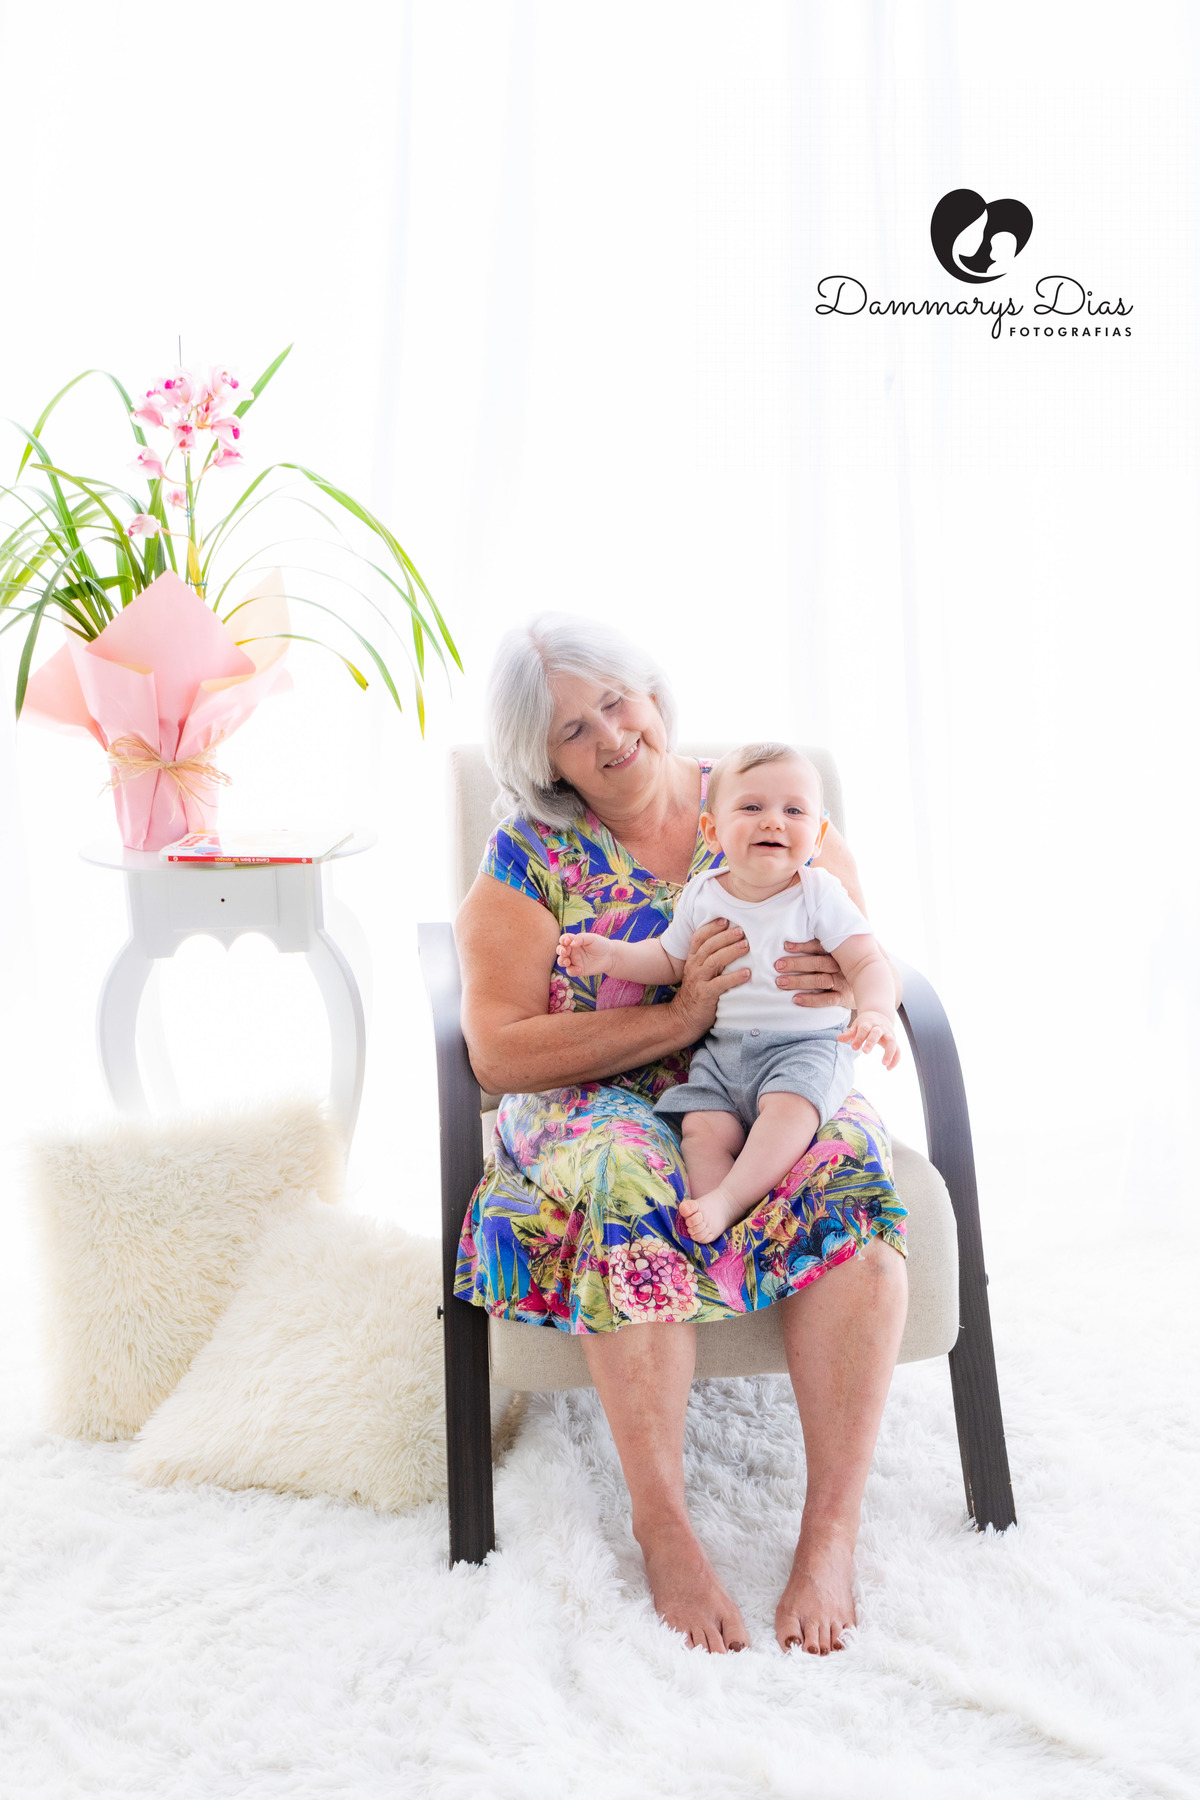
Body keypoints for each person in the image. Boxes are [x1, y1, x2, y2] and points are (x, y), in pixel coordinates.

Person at [454, 616, 908, 1657]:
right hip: (594, 1096)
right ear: (543, 758)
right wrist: (673, 1021)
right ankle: (662, 1527)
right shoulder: (527, 855)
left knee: (848, 1165)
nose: (610, 735)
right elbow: (498, 1052)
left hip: (773, 1075)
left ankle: (830, 1531)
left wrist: (850, 993)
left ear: (651, 696)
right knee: (627, 1176)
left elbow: (858, 949)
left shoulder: (759, 796)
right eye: (573, 728)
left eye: (617, 701)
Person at [555, 742, 901, 1245]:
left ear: (819, 833)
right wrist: (611, 956)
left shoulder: (818, 893)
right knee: (701, 1127)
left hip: (803, 1049)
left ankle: (731, 1199)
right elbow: (670, 960)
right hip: (723, 1053)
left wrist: (875, 1012)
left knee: (789, 1112)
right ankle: (715, 1222)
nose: (773, 822)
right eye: (752, 807)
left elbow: (867, 961)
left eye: (794, 810)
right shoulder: (703, 892)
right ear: (713, 831)